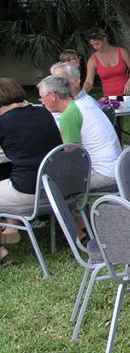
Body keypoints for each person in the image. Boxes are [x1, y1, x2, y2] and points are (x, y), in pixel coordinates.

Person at [0, 77, 63, 265]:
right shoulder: (43, 113)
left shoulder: (4, 122)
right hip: (57, 188)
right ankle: (9, 232)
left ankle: (1, 252)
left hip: (30, 191)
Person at [37, 74, 120, 191]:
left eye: (42, 98)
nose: (42, 103)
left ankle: (67, 209)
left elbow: (72, 156)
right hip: (118, 167)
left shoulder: (68, 115)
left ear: (53, 95)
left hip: (103, 173)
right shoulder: (86, 103)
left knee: (50, 184)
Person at [83, 31, 130, 98]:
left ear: (104, 39)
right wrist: (81, 94)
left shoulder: (122, 52)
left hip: (129, 93)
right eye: (93, 45)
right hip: (110, 97)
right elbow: (89, 82)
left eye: (97, 44)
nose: (95, 47)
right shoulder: (93, 60)